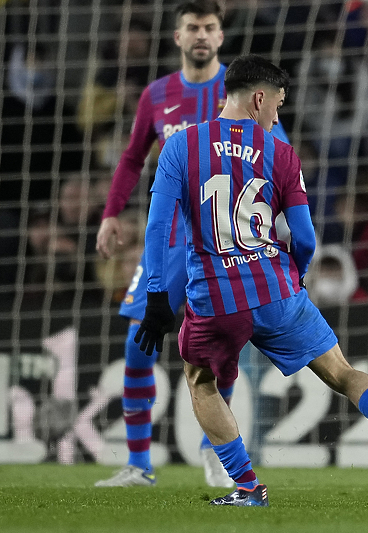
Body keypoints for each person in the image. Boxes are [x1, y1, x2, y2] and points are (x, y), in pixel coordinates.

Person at [134, 53, 368, 507]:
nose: (278, 114)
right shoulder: (280, 151)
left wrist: (157, 296)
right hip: (277, 288)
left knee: (199, 379)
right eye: (277, 104)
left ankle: (248, 487)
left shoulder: (181, 146)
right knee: (344, 373)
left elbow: (157, 229)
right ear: (258, 98)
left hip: (216, 296)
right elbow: (307, 236)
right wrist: (293, 272)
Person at [93, 0, 289, 489]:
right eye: (191, 28)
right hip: (171, 239)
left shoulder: (243, 93)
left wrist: (283, 220)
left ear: (221, 37)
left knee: (219, 348)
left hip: (225, 244)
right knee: (137, 342)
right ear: (177, 37)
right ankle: (138, 465)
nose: (201, 35)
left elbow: (280, 155)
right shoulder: (158, 94)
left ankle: (213, 451)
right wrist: (112, 212)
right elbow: (133, 158)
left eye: (209, 27)